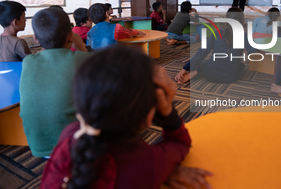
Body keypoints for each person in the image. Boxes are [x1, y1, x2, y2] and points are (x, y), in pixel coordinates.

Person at [40, 45, 213, 189]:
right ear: (149, 117)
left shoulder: (70, 134)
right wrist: (168, 113)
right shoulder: (146, 163)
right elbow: (180, 143)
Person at [19, 7, 92, 157]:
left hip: (38, 144)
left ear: (36, 39)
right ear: (70, 36)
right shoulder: (81, 59)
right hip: (72, 145)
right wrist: (79, 45)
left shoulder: (28, 61)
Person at [175, 8, 253, 84]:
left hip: (210, 74)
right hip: (231, 77)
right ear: (243, 22)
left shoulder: (217, 33)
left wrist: (184, 69)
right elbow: (252, 53)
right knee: (241, 66)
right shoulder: (245, 35)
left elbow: (201, 53)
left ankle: (196, 72)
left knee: (203, 62)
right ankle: (199, 72)